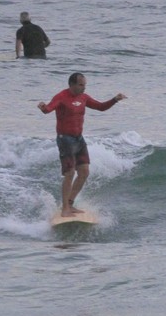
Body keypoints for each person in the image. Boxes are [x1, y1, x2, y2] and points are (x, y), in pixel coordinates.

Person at [38, 73, 127, 217]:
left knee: (84, 172)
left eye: (85, 85)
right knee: (70, 173)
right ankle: (65, 208)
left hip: (79, 139)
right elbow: (49, 109)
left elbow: (100, 107)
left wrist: (114, 100)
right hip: (65, 139)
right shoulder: (61, 96)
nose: (84, 88)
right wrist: (43, 107)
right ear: (71, 84)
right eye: (81, 85)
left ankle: (70, 204)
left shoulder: (84, 98)